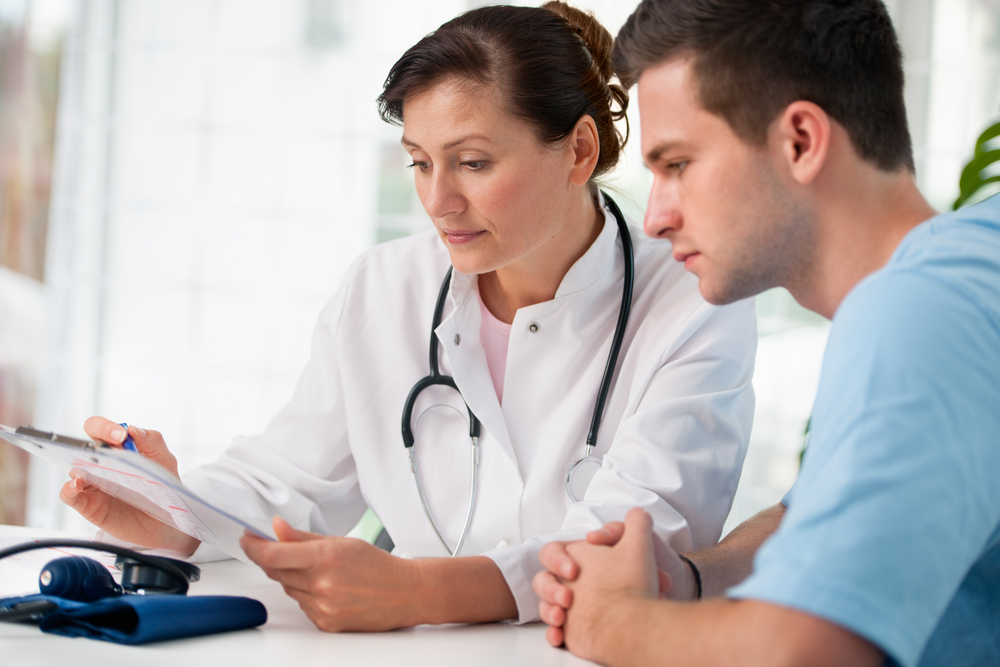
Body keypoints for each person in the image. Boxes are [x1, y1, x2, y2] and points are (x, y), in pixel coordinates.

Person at [60, 2, 757, 632]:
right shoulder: (383, 289)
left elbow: (638, 548)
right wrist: (172, 511)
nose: (439, 200)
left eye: (473, 163)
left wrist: (422, 592)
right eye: (420, 163)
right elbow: (289, 480)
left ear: (579, 150)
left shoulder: (695, 300)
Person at [532, 1, 1000, 665]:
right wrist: (689, 576)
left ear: (801, 141)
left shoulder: (916, 314)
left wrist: (609, 618)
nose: (657, 217)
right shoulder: (971, 263)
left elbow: (803, 652)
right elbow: (823, 514)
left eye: (678, 164)